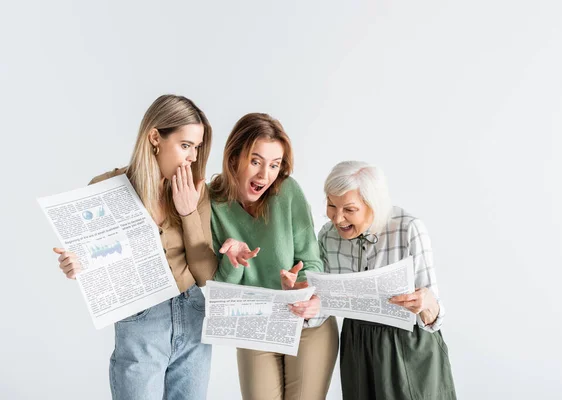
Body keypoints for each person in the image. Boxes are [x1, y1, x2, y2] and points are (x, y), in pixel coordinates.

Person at [53, 95, 217, 400]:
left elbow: (206, 275)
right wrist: (77, 266)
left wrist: (188, 212)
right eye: (185, 145)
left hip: (193, 314)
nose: (193, 157)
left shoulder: (195, 191)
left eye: (196, 147)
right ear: (155, 137)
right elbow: (96, 263)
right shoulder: (106, 187)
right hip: (142, 320)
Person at [283, 161, 457, 400]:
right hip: (358, 343)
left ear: (372, 205)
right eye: (332, 205)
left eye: (349, 209)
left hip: (409, 344)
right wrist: (302, 299)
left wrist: (426, 303)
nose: (337, 218)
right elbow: (325, 305)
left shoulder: (408, 229)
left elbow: (434, 318)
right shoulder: (327, 237)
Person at [209, 113, 339, 400]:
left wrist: (299, 288)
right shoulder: (212, 203)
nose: (264, 175)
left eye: (274, 165)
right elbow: (218, 290)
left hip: (306, 323)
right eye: (255, 161)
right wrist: (232, 264)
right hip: (255, 323)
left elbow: (311, 260)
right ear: (234, 158)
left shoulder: (288, 192)